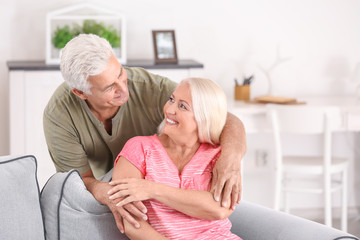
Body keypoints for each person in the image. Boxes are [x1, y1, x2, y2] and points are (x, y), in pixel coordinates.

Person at [43, 34, 246, 233]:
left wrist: (231, 156)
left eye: (121, 74)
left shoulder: (149, 87)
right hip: (109, 182)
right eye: (109, 87)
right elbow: (78, 181)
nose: (123, 89)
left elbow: (213, 114)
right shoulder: (59, 115)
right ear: (80, 92)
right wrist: (107, 192)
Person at [109, 78, 241, 239]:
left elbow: (220, 209)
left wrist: (152, 189)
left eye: (182, 106)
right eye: (171, 99)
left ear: (203, 117)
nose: (169, 110)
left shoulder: (219, 156)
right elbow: (131, 222)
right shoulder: (139, 148)